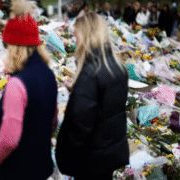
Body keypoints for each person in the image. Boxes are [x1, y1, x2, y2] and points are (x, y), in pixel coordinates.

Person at [0, 0, 58, 179]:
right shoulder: (48, 74)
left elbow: (9, 138)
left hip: (16, 170)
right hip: (40, 165)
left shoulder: (17, 84)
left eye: (7, 46)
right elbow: (53, 119)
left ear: (15, 47)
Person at [55, 11, 129, 180]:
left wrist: (65, 157)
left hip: (90, 161)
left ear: (86, 36)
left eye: (76, 36)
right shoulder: (117, 68)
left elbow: (79, 125)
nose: (75, 41)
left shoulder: (90, 75)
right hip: (107, 155)